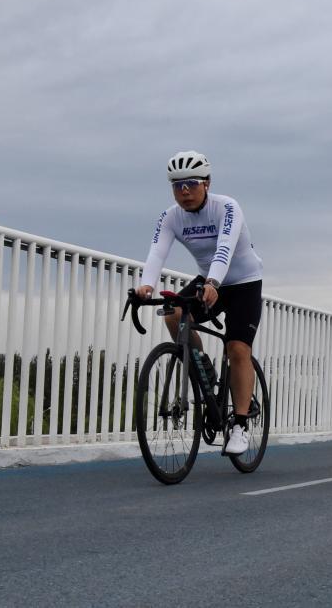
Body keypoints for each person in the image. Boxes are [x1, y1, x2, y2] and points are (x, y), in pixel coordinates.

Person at [136, 151, 263, 455]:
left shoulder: (227, 208)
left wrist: (213, 283)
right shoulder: (171, 217)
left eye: (191, 183)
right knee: (172, 313)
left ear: (207, 183)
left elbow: (224, 248)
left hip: (242, 282)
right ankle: (203, 368)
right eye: (177, 185)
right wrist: (145, 285)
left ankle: (240, 424)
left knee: (237, 348)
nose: (184, 191)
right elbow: (157, 252)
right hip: (209, 279)